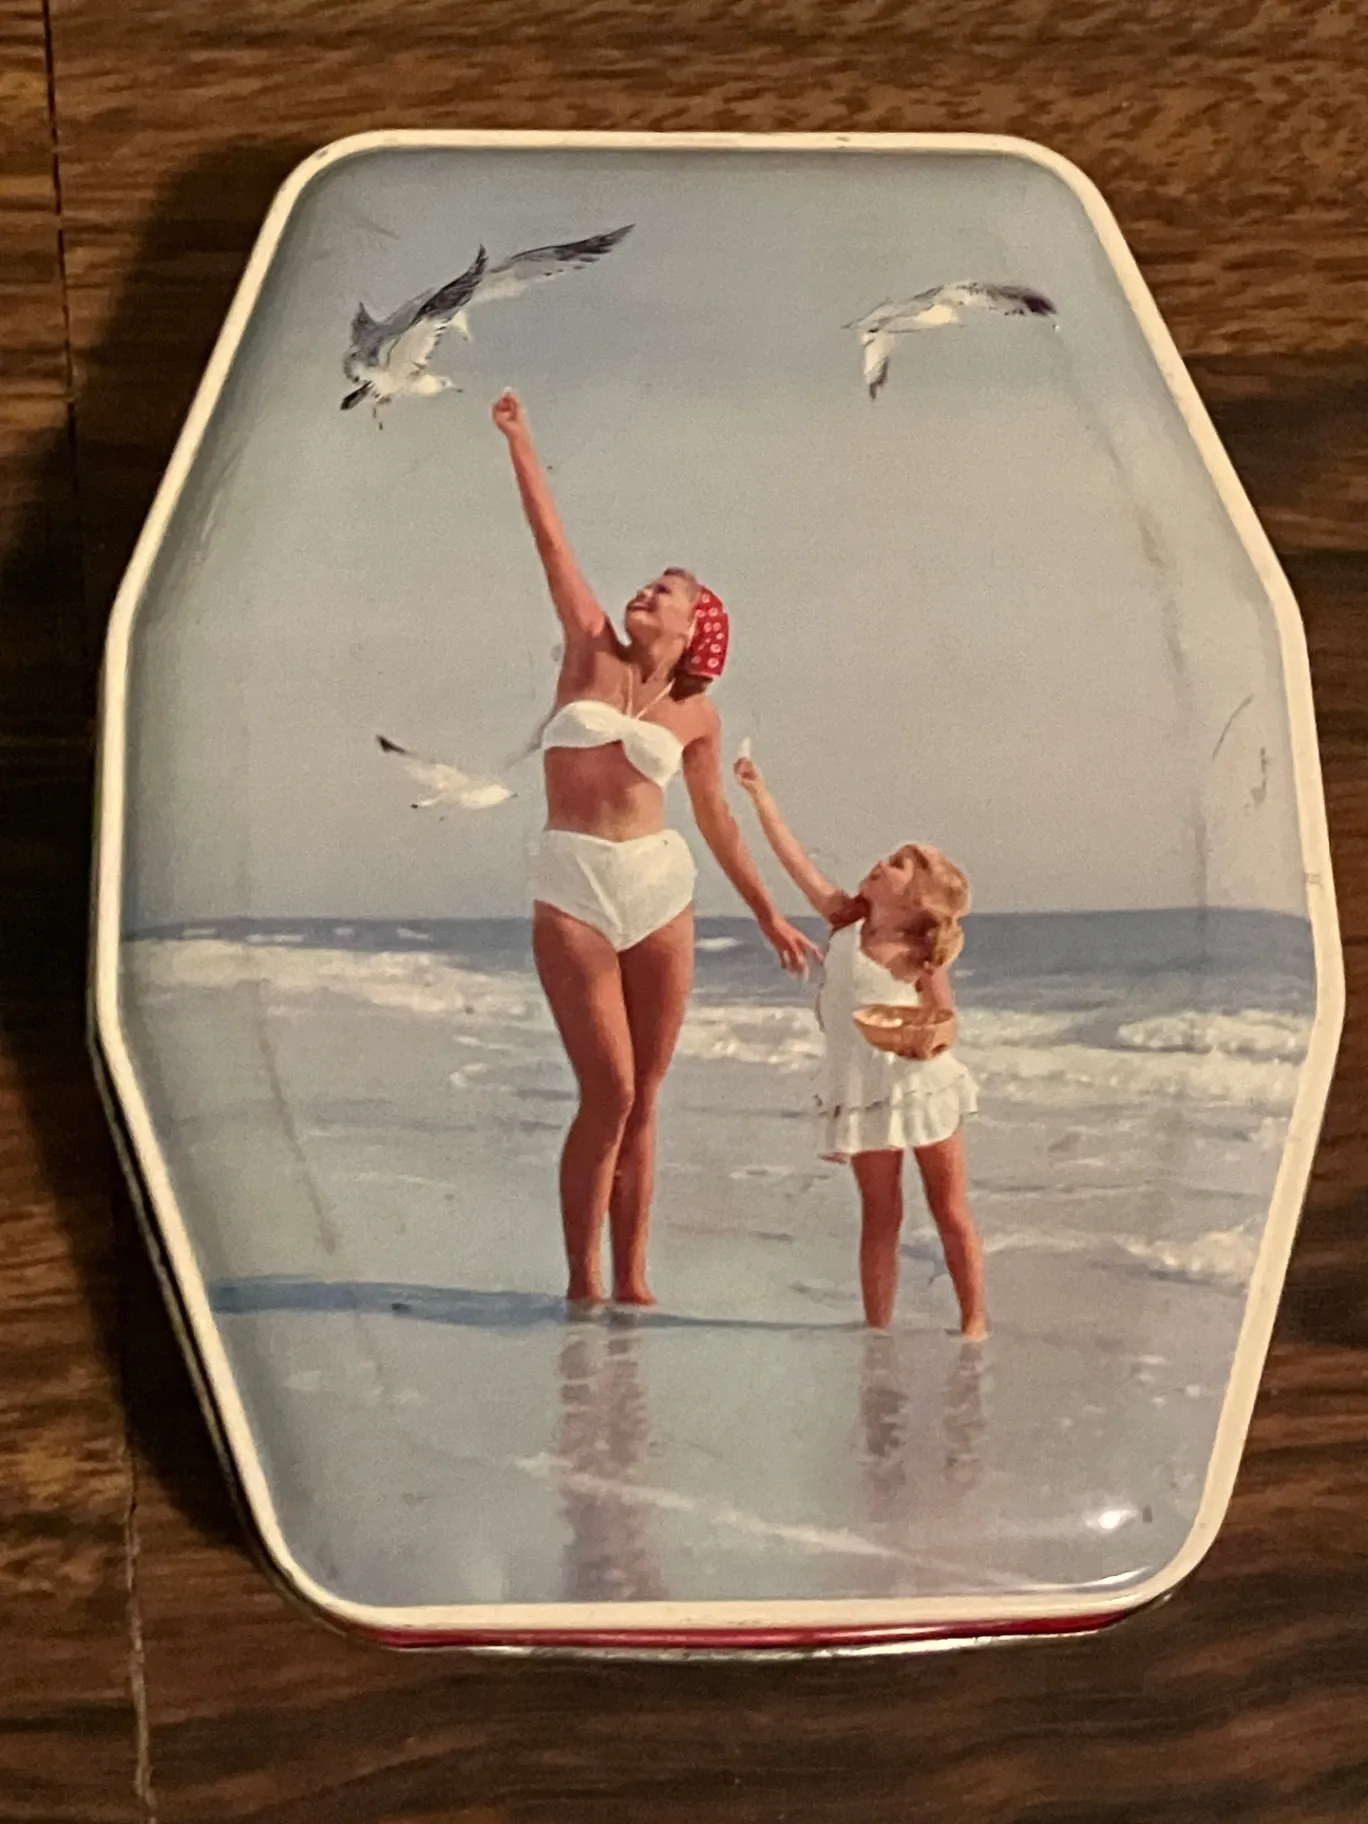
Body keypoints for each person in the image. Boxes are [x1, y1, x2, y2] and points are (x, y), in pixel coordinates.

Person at [491, 391, 822, 1311]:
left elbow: (718, 822)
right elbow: (552, 543)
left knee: (645, 1096)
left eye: (663, 593)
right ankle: (582, 1280)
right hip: (572, 887)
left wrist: (767, 913)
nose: (643, 594)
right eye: (644, 586)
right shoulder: (588, 651)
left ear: (693, 629)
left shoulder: (698, 717)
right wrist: (521, 438)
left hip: (659, 893)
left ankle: (632, 1279)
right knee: (608, 1090)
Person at [734, 751, 988, 1337]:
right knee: (880, 1213)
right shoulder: (844, 923)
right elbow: (795, 863)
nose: (881, 864)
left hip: (921, 1085)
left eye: (898, 866)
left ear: (918, 899)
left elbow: (945, 1019)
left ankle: (974, 1321)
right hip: (865, 1090)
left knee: (949, 1207)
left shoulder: (921, 954)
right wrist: (761, 797)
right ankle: (878, 1327)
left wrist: (922, 1036)